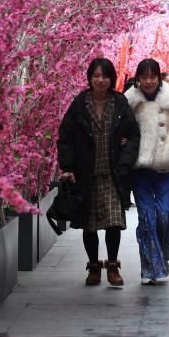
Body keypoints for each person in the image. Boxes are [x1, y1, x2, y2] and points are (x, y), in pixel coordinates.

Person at [57, 58, 140, 288]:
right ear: (89, 78)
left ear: (112, 78)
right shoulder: (80, 104)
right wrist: (68, 167)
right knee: (89, 223)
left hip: (113, 174)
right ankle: (94, 266)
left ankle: (112, 266)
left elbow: (134, 135)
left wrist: (125, 161)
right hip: (87, 174)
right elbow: (66, 136)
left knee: (114, 222)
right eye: (96, 76)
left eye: (105, 76)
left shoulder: (120, 103)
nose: (100, 80)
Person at [125, 58, 169, 284]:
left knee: (164, 215)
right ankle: (151, 267)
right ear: (138, 78)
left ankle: (162, 242)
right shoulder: (128, 101)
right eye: (144, 77)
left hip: (165, 170)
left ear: (159, 77)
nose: (148, 81)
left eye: (152, 77)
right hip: (140, 170)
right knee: (146, 217)